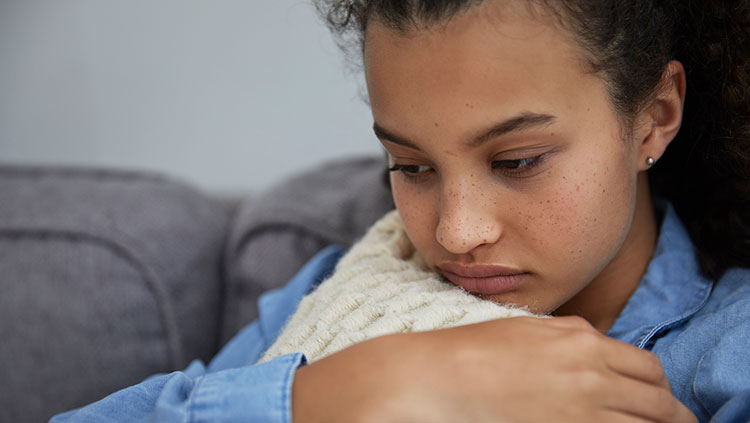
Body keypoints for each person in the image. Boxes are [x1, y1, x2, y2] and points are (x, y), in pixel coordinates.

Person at [53, 0, 749, 422]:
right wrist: (359, 390)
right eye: (411, 166)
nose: (455, 232)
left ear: (655, 117)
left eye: (516, 161)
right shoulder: (352, 290)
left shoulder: (725, 353)